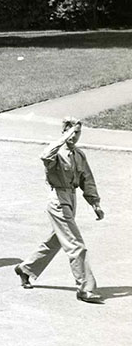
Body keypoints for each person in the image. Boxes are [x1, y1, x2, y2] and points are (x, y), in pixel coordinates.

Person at [15, 118, 105, 303]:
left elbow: (87, 179)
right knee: (75, 244)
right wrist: (63, 139)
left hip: (72, 199)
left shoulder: (79, 155)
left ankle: (26, 268)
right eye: (72, 132)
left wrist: (95, 203)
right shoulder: (56, 152)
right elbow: (45, 156)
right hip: (58, 200)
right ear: (64, 132)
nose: (75, 136)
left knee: (57, 240)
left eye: (78, 133)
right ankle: (85, 288)